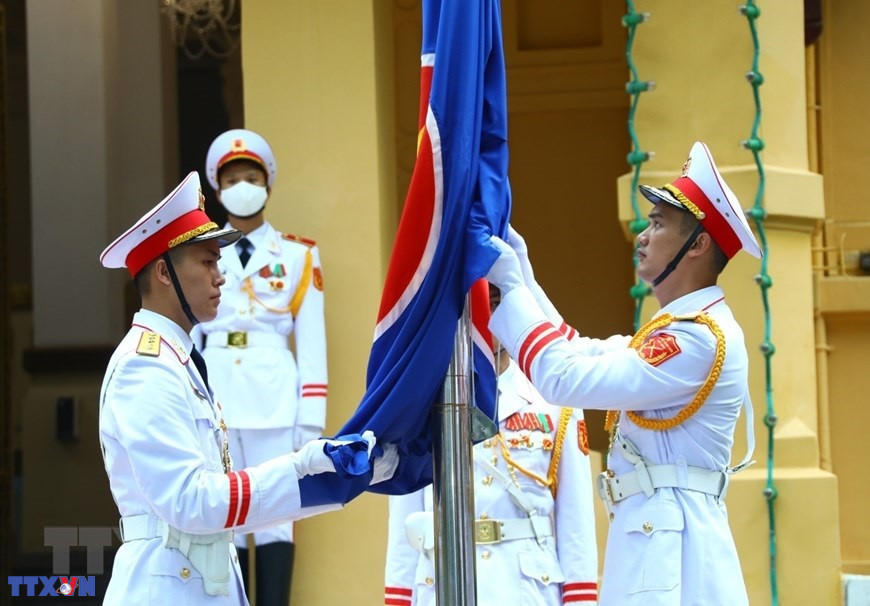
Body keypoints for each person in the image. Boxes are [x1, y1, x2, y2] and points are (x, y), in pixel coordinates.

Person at [98, 172, 394, 605]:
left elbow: (221, 503)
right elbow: (190, 501)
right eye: (207, 262)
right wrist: (301, 468)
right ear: (164, 273)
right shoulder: (146, 367)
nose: (221, 277)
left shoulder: (178, 360)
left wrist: (336, 479)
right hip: (166, 585)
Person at [484, 141, 760, 606]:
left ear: (697, 245)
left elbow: (564, 379)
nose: (643, 236)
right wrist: (523, 276)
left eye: (658, 224)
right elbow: (576, 349)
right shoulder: (677, 331)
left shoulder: (695, 338)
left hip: (675, 559)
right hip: (657, 544)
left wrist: (511, 288)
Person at [383, 286, 599, 606]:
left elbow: (576, 523)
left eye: (497, 304)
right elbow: (405, 519)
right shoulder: (422, 403)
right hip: (442, 585)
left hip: (526, 591)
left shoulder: (553, 398)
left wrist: (580, 600)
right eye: (477, 304)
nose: (487, 316)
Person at [193, 129, 328, 605]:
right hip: (217, 399)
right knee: (222, 514)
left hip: (275, 402)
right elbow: (191, 334)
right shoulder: (200, 251)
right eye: (232, 180)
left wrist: (310, 419)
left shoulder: (297, 254)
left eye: (251, 178)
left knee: (275, 519)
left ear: (267, 184)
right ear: (218, 190)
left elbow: (311, 341)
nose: (243, 187)